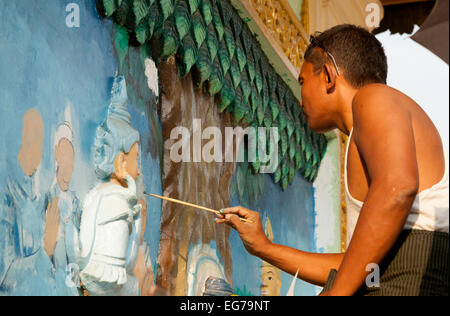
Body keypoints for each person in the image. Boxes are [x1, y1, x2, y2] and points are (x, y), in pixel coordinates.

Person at [216, 24, 449, 296]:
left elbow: (397, 188)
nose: (300, 96)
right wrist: (263, 247)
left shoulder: (373, 97)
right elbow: (356, 265)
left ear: (327, 75)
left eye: (302, 81)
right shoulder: (363, 132)